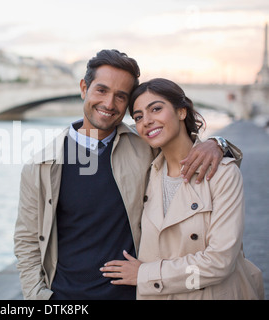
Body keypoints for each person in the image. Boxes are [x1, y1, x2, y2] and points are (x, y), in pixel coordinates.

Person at [14, 50, 241, 300]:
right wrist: (36, 296)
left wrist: (219, 144)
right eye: (101, 90)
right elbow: (27, 240)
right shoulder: (41, 166)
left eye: (120, 96)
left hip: (136, 293)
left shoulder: (145, 145)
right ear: (83, 88)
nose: (109, 104)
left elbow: (182, 144)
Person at [101, 78, 264, 299]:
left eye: (156, 109)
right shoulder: (144, 172)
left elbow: (219, 263)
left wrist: (144, 274)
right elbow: (98, 136)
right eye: (138, 117)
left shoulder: (222, 174)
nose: (146, 121)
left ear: (181, 112)